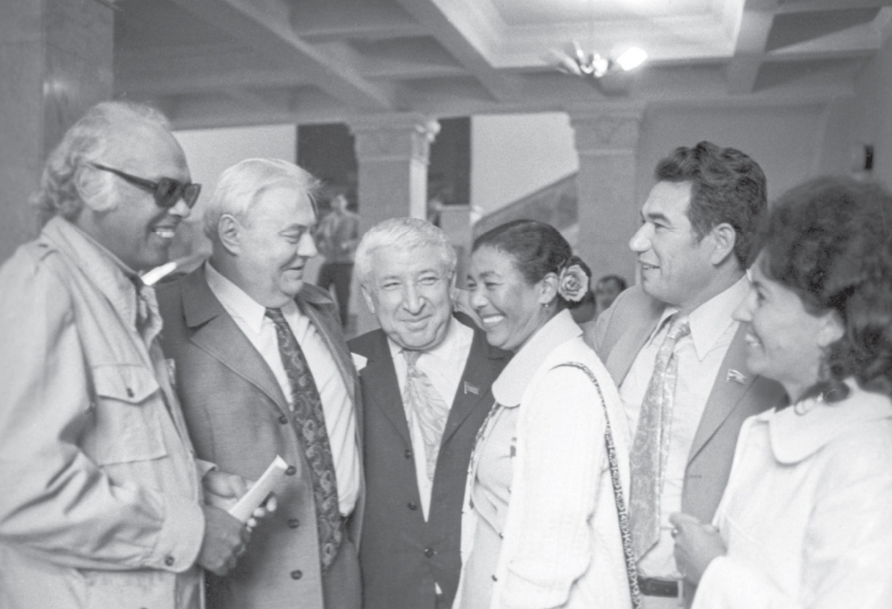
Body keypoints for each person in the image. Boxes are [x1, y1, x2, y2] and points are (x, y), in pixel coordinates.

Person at [0, 101, 255, 609]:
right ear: (94, 185)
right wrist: (192, 531)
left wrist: (198, 483)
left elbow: (108, 448)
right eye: (165, 190)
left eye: (187, 193)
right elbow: (20, 487)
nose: (183, 210)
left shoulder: (120, 297)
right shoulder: (40, 285)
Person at [671, 176, 892, 609]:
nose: (740, 311)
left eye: (762, 296)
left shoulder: (867, 461)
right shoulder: (785, 422)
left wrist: (713, 571)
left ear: (829, 323)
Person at [582, 141, 785, 607]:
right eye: (642, 221)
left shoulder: (774, 340)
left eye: (658, 226)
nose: (636, 242)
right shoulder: (628, 310)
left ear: (720, 243)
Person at [157, 158, 363, 609]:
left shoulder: (320, 306)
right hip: (241, 590)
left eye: (311, 231)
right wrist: (202, 479)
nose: (311, 248)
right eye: (293, 235)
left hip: (341, 577)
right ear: (232, 235)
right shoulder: (159, 319)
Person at [455, 219, 635, 609]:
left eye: (491, 283)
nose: (477, 300)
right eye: (472, 285)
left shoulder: (565, 385)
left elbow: (551, 557)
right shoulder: (539, 371)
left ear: (547, 289)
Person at [349, 218, 511, 609]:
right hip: (381, 597)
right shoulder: (341, 367)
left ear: (451, 282)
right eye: (391, 285)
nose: (413, 302)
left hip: (488, 592)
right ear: (369, 297)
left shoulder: (507, 365)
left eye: (426, 280)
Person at [316, 192, 361, 327]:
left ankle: (343, 327)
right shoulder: (327, 219)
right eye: (335, 201)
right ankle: (321, 322)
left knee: (343, 295)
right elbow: (318, 236)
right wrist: (321, 248)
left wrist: (348, 245)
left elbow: (360, 238)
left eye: (340, 201)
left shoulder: (354, 219)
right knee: (319, 292)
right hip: (329, 261)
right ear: (331, 203)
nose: (337, 204)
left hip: (344, 263)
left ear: (345, 203)